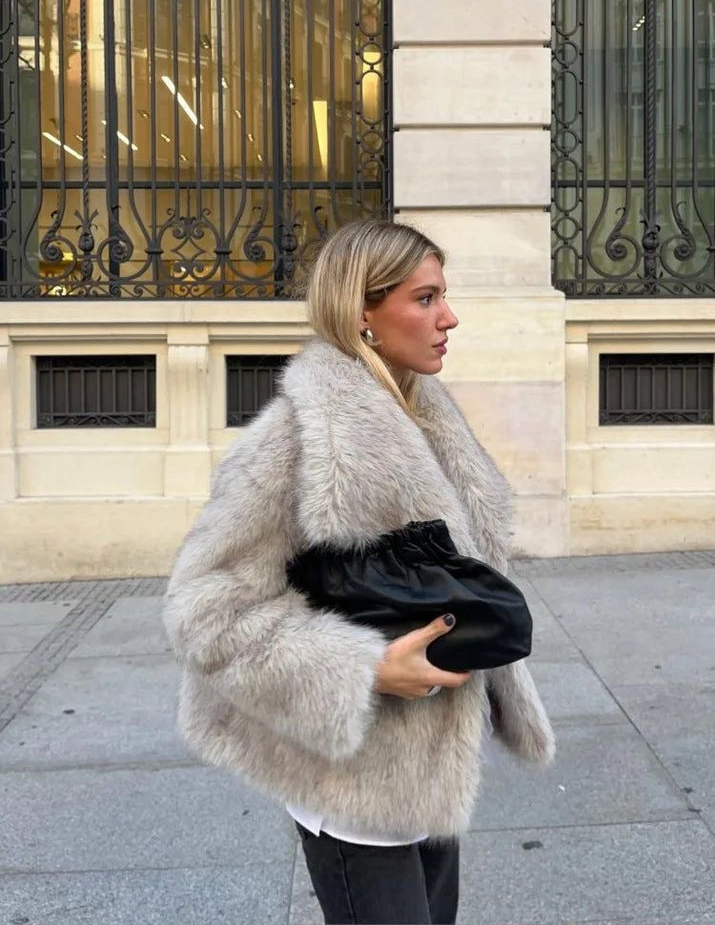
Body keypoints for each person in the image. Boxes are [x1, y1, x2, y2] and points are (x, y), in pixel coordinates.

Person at [163, 219, 555, 925]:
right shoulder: (299, 438)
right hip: (349, 782)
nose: (449, 317)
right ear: (363, 313)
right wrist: (364, 668)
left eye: (444, 296)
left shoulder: (423, 413)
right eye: (425, 298)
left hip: (431, 769)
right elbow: (206, 612)